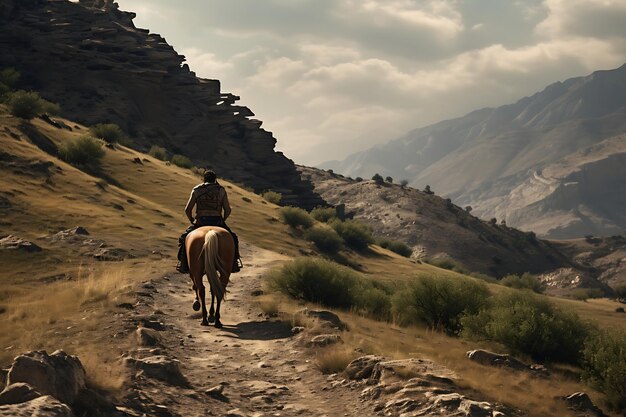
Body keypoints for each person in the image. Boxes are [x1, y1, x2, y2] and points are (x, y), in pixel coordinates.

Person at [176, 170, 242, 273]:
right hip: (217, 221)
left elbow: (187, 209)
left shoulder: (197, 190)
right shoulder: (221, 190)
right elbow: (227, 210)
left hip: (201, 221)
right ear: (215, 179)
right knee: (233, 238)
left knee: (183, 238)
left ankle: (182, 263)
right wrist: (223, 219)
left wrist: (192, 220)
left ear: (204, 179)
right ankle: (235, 262)